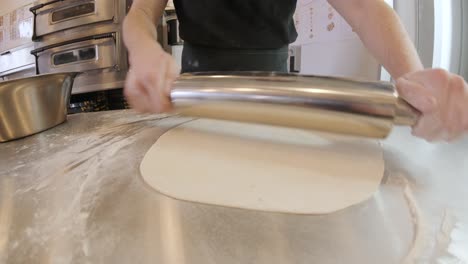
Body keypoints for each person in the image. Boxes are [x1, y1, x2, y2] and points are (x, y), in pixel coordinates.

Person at [122, 0, 468, 142]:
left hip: (276, 97)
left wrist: (416, 85)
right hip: (198, 94)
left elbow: (366, 10)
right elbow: (139, 14)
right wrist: (144, 50)